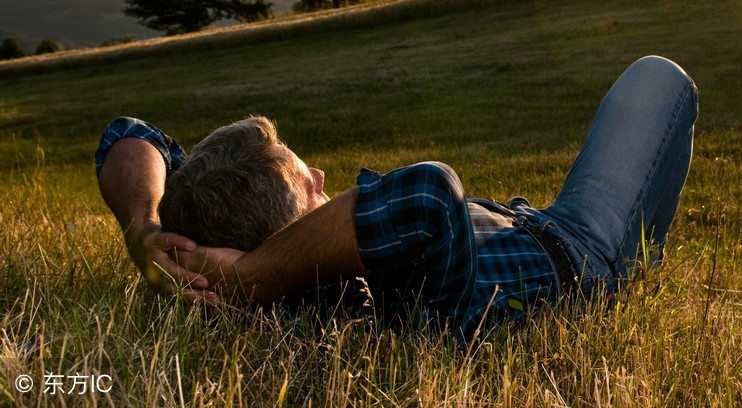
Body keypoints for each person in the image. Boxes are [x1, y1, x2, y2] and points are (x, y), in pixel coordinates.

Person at [97, 55, 698, 341]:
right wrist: (253, 276)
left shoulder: (203, 226)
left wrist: (143, 227)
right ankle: (635, 261)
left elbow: (128, 133)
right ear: (294, 235)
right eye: (313, 186)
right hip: (579, 250)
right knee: (658, 79)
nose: (325, 178)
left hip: (518, 219)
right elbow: (430, 194)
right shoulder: (367, 302)